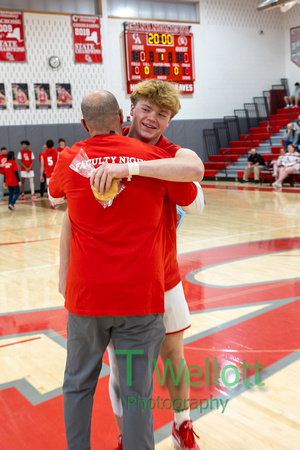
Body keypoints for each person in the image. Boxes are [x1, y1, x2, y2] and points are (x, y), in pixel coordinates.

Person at [49, 90, 199, 450]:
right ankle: (132, 438)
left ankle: (183, 423)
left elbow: (56, 197)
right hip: (141, 293)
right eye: (147, 109)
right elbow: (192, 197)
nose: (152, 118)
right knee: (134, 387)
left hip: (125, 287)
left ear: (84, 124)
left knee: (83, 381)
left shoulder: (74, 157)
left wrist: (129, 168)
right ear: (125, 112)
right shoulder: (151, 154)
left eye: (162, 114)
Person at [40, 139, 59, 208]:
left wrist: (41, 175)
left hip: (47, 174)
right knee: (55, 188)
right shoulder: (56, 152)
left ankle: (51, 201)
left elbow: (42, 165)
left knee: (49, 188)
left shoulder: (43, 154)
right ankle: (53, 202)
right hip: (55, 173)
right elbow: (58, 164)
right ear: (53, 145)